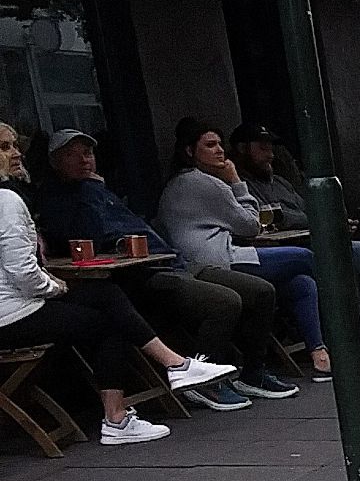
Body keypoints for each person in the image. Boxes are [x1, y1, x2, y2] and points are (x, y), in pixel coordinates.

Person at [0, 123, 234, 444]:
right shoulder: (7, 201)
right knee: (110, 319)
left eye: (14, 146)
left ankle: (171, 370)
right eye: (4, 148)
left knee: (106, 296)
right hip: (12, 315)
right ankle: (121, 414)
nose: (16, 154)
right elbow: (22, 272)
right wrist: (55, 286)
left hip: (13, 310)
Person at [35, 129, 279, 413]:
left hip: (173, 260)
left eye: (87, 153)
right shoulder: (58, 198)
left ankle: (251, 371)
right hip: (141, 276)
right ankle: (202, 381)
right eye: (72, 155)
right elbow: (84, 235)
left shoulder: (97, 189)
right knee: (224, 302)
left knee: (261, 291)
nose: (84, 160)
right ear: (55, 162)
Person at [159, 118, 330, 383]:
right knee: (303, 257)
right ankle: (342, 325)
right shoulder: (201, 182)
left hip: (219, 254)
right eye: (210, 145)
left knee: (301, 283)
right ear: (190, 151)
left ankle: (319, 352)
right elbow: (251, 225)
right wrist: (237, 180)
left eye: (220, 144)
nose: (219, 151)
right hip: (216, 260)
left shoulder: (188, 182)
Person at [230, 122, 360, 354]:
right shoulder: (238, 186)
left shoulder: (281, 182)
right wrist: (301, 219)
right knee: (322, 264)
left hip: (316, 243)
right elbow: (270, 219)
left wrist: (334, 225)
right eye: (263, 148)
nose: (271, 155)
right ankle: (347, 319)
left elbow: (306, 213)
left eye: (271, 149)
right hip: (281, 252)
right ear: (242, 149)